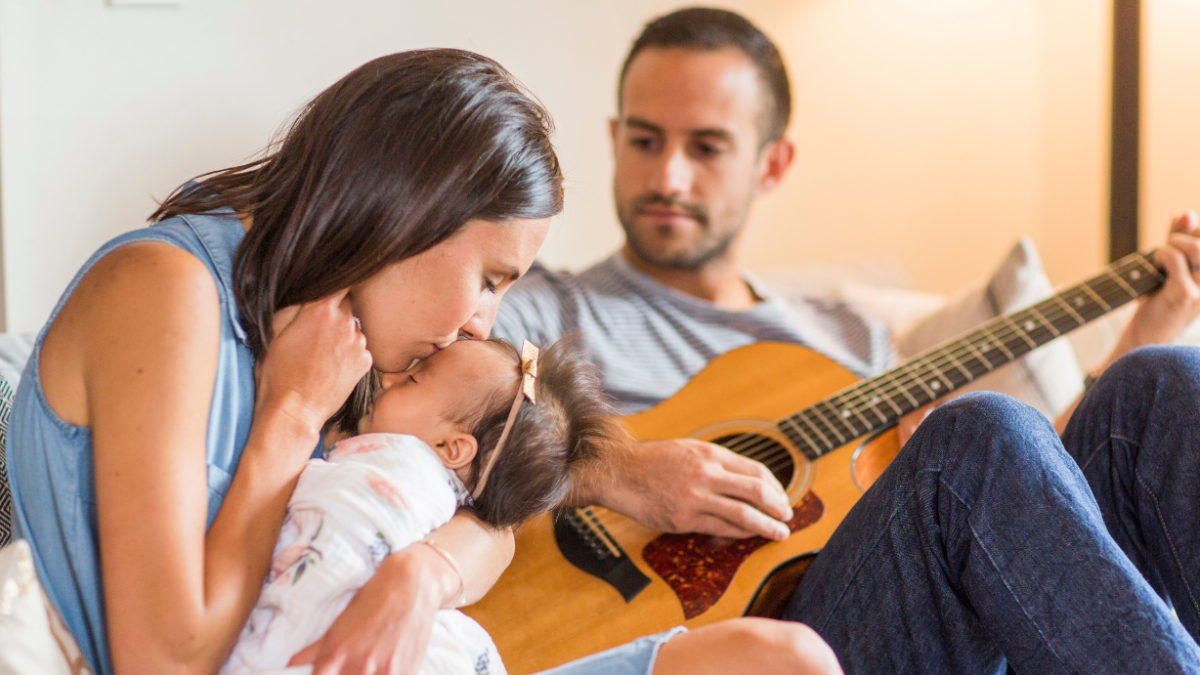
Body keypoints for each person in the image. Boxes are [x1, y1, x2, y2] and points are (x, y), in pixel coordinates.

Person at [6, 47, 839, 675]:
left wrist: (418, 574)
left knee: (783, 657)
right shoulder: (166, 290)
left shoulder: (353, 341)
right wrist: (290, 418)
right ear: (407, 214)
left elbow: (487, 521)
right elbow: (164, 659)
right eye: (489, 278)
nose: (482, 326)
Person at [491, 7, 1200, 673]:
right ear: (614, 138)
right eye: (645, 141)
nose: (667, 176)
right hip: (725, 641)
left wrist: (1144, 330)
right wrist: (618, 469)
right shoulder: (538, 306)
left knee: (1161, 383)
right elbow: (448, 440)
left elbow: (1035, 519)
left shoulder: (843, 332)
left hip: (893, 610)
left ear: (772, 163)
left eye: (706, 147)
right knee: (978, 434)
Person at [224, 338, 616, 674]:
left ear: (452, 448)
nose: (389, 379)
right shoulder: (439, 504)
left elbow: (332, 556)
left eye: (413, 379)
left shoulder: (400, 471)